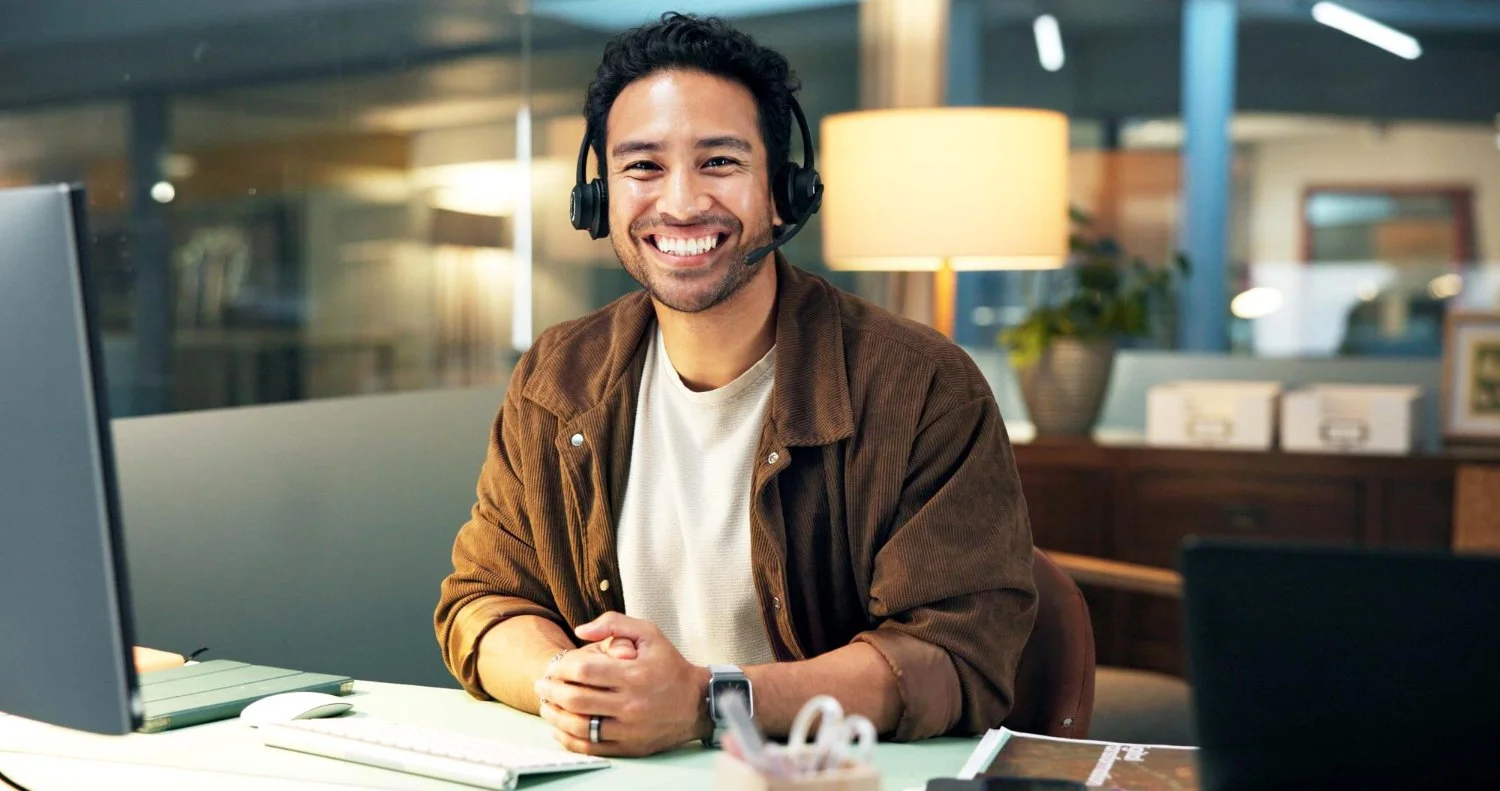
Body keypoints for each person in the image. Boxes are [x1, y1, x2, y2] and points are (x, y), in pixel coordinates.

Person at [434, 12, 1037, 758]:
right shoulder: (556, 376)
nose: (681, 203)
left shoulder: (922, 388)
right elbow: (482, 601)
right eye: (643, 166)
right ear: (601, 200)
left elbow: (954, 658)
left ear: (783, 192)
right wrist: (570, 685)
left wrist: (704, 700)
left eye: (719, 162)